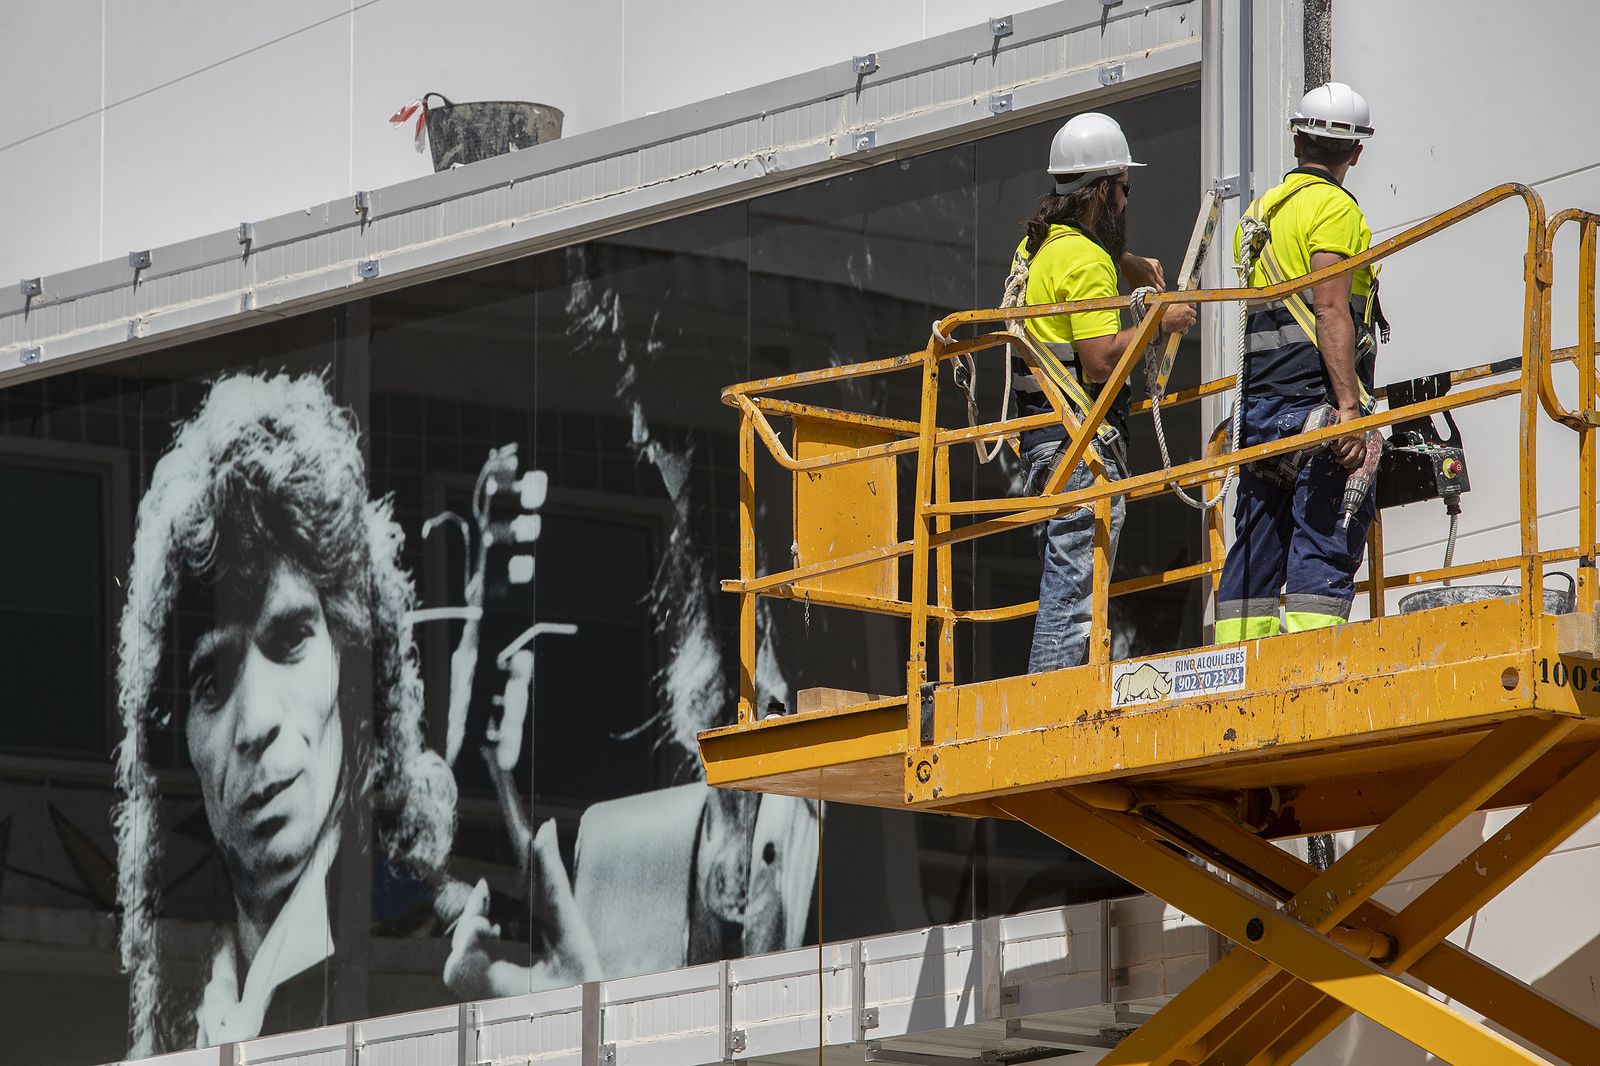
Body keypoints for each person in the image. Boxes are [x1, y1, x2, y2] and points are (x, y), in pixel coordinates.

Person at [113, 372, 458, 1054]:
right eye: (210, 679)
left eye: (290, 639)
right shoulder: (185, 1006)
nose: (255, 723)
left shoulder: (444, 963)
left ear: (355, 669)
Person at [1012, 111, 1197, 671]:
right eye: (1123, 190)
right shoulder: (1086, 259)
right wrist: (1160, 321)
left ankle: (1052, 696)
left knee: (1064, 583)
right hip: (1081, 447)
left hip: (1042, 444)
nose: (1125, 202)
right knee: (1074, 600)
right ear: (1099, 192)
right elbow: (1099, 361)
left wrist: (1127, 260)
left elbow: (1067, 263)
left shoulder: (1038, 248)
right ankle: (1050, 708)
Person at [1214, 82, 1385, 642]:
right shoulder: (1334, 209)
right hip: (1311, 403)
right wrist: (1348, 406)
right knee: (1327, 525)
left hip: (1261, 410)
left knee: (1257, 538)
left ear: (1296, 141)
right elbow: (1331, 309)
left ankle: (1233, 664)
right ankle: (1312, 659)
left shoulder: (1262, 211)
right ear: (1356, 153)